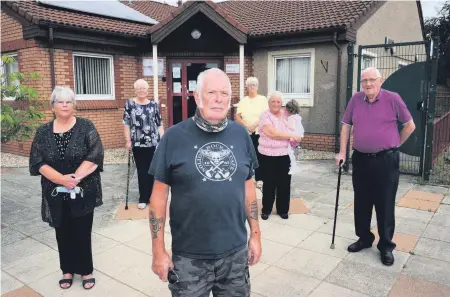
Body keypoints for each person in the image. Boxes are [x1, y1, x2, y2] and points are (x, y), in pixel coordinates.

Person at [149, 68, 262, 297]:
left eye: (224, 93)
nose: (219, 99)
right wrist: (158, 251)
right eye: (211, 92)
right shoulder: (173, 137)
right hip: (189, 258)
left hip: (235, 255)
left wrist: (256, 236)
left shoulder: (241, 136)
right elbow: (158, 199)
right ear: (197, 97)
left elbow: (248, 188)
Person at [336, 67, 415, 266]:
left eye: (372, 80)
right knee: (361, 202)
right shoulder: (355, 99)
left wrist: (395, 145)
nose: (368, 84)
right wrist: (343, 152)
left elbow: (409, 126)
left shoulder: (393, 98)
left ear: (380, 81)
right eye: (364, 81)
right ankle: (364, 238)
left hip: (385, 161)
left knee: (385, 203)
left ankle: (386, 246)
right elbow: (346, 125)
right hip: (361, 159)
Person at [29, 86, 104, 290]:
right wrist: (62, 180)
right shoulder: (43, 131)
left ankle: (86, 270)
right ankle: (67, 270)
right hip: (55, 190)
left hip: (83, 188)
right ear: (52, 106)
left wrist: (75, 178)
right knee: (62, 231)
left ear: (74, 105)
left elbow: (95, 154)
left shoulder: (86, 126)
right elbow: (37, 162)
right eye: (60, 101)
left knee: (82, 229)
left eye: (68, 101)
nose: (64, 105)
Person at [258, 92, 302, 220]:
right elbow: (273, 133)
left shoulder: (286, 113)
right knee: (269, 183)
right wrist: (291, 136)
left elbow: (296, 123)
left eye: (278, 102)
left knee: (284, 183)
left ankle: (283, 210)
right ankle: (266, 209)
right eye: (273, 101)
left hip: (284, 154)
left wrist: (297, 134)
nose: (276, 104)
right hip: (267, 155)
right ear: (269, 103)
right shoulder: (265, 116)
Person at [123, 79, 164, 210]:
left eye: (144, 88)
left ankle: (153, 196)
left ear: (148, 90)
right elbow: (126, 123)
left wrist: (162, 140)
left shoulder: (153, 105)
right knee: (142, 170)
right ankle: (143, 198)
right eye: (139, 88)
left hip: (153, 143)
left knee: (153, 170)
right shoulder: (129, 104)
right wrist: (128, 140)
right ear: (135, 90)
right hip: (137, 143)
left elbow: (159, 124)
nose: (141, 91)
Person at [235, 76, 268, 188]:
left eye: (254, 85)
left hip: (259, 132)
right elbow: (238, 116)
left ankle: (259, 178)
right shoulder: (244, 101)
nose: (252, 87)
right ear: (247, 87)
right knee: (247, 155)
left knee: (259, 155)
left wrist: (254, 125)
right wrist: (247, 125)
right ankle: (247, 177)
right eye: (250, 85)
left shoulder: (263, 99)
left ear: (257, 86)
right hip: (246, 132)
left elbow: (265, 115)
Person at [285, 99, 305, 174]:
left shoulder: (291, 118)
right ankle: (293, 166)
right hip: (297, 137)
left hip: (292, 138)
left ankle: (292, 167)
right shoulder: (298, 117)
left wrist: (285, 123)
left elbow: (291, 127)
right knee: (293, 152)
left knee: (290, 152)